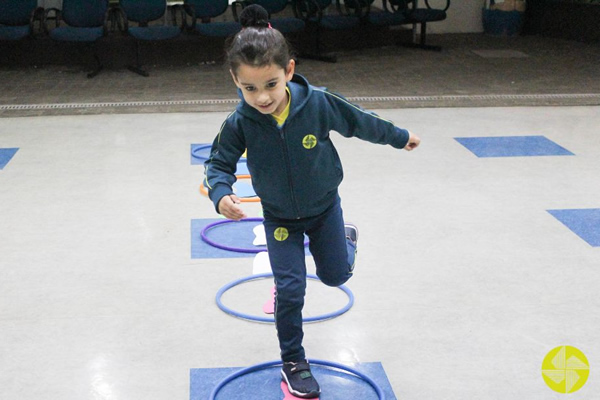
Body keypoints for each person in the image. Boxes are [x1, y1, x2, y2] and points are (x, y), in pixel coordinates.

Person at [203, 5, 421, 398]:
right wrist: (221, 194)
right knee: (290, 290)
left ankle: (346, 240)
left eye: (270, 84)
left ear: (288, 70)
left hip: (324, 210)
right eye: (249, 88)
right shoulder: (240, 122)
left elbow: (360, 122)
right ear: (235, 80)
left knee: (336, 275)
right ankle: (293, 361)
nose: (262, 97)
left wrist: (398, 136)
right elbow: (218, 162)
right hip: (280, 218)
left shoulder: (317, 103)